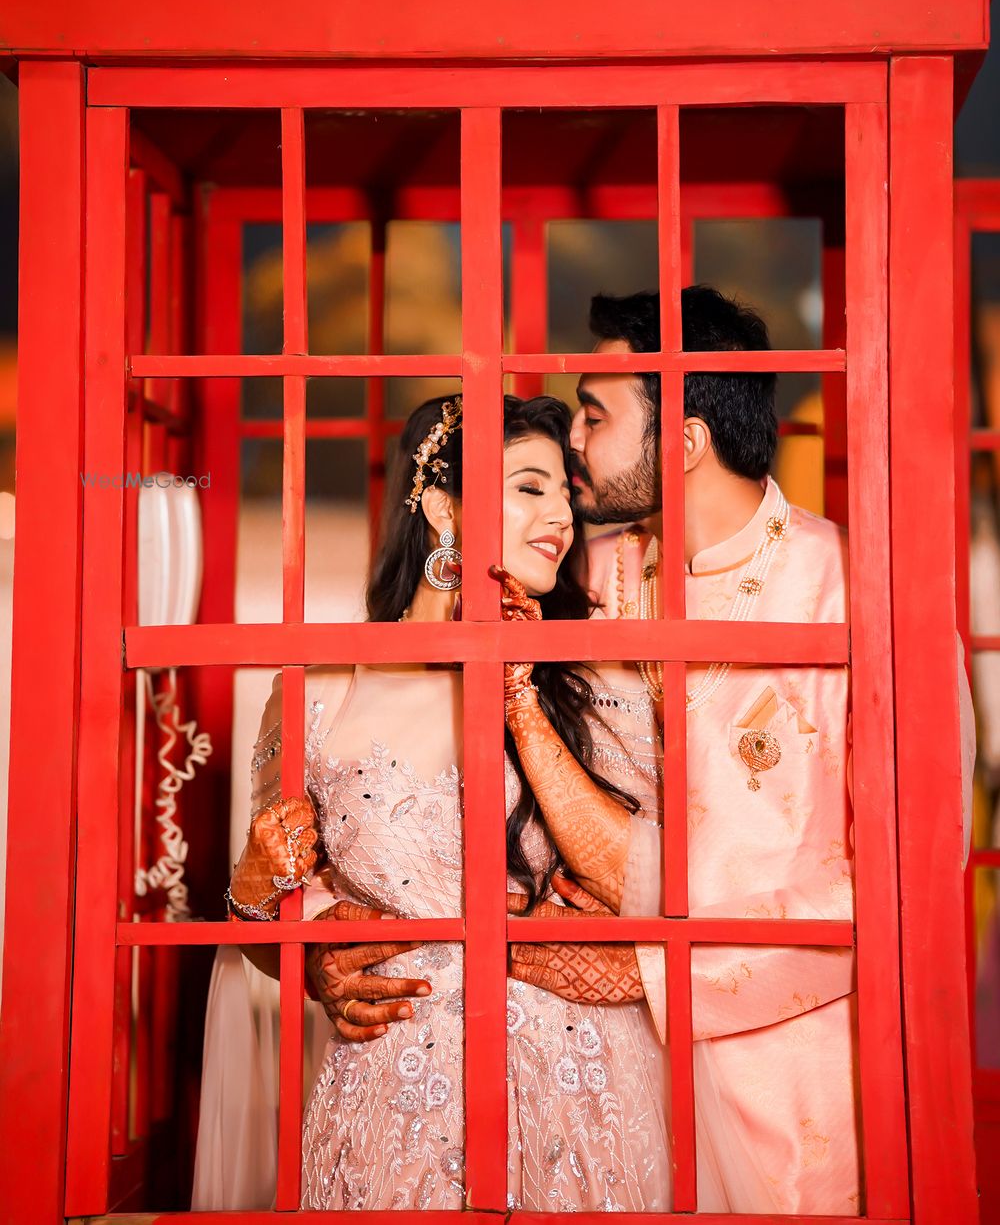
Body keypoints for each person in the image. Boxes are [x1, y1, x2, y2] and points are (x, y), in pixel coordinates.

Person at [217, 393, 672, 1211]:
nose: (561, 516)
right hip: (391, 1095)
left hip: (581, 1088)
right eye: (530, 487)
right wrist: (296, 936)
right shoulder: (316, 693)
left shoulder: (595, 678)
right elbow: (265, 922)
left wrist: (622, 953)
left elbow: (669, 879)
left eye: (566, 493)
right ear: (440, 504)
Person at [498, 286, 861, 1213]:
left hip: (792, 1084)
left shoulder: (852, 592)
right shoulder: (587, 575)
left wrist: (651, 968)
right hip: (607, 1079)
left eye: (593, 414)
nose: (571, 439)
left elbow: (891, 885)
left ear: (685, 441)